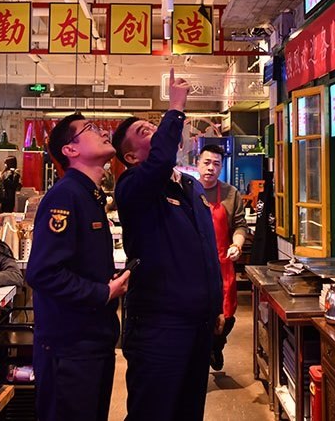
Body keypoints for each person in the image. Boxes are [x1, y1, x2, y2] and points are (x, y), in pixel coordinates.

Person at [112, 69, 222, 421]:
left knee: (189, 411)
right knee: (153, 412)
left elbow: (205, 251)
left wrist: (215, 306)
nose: (158, 132)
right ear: (131, 157)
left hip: (198, 323)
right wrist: (174, 107)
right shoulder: (133, 187)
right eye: (146, 132)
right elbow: (159, 161)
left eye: (156, 127)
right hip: (159, 325)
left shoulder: (190, 187)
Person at [27, 114, 131, 421]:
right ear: (70, 150)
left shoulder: (90, 195)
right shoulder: (65, 195)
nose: (103, 132)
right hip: (69, 345)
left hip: (92, 340)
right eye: (90, 129)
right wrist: (102, 292)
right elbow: (42, 272)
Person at [196, 143, 248, 371]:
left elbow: (240, 225)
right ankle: (200, 355)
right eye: (207, 162)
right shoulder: (187, 190)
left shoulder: (230, 193)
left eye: (216, 164)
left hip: (222, 263)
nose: (211, 168)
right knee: (197, 314)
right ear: (197, 163)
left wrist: (237, 245)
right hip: (193, 265)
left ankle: (216, 345)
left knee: (226, 315)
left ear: (221, 167)